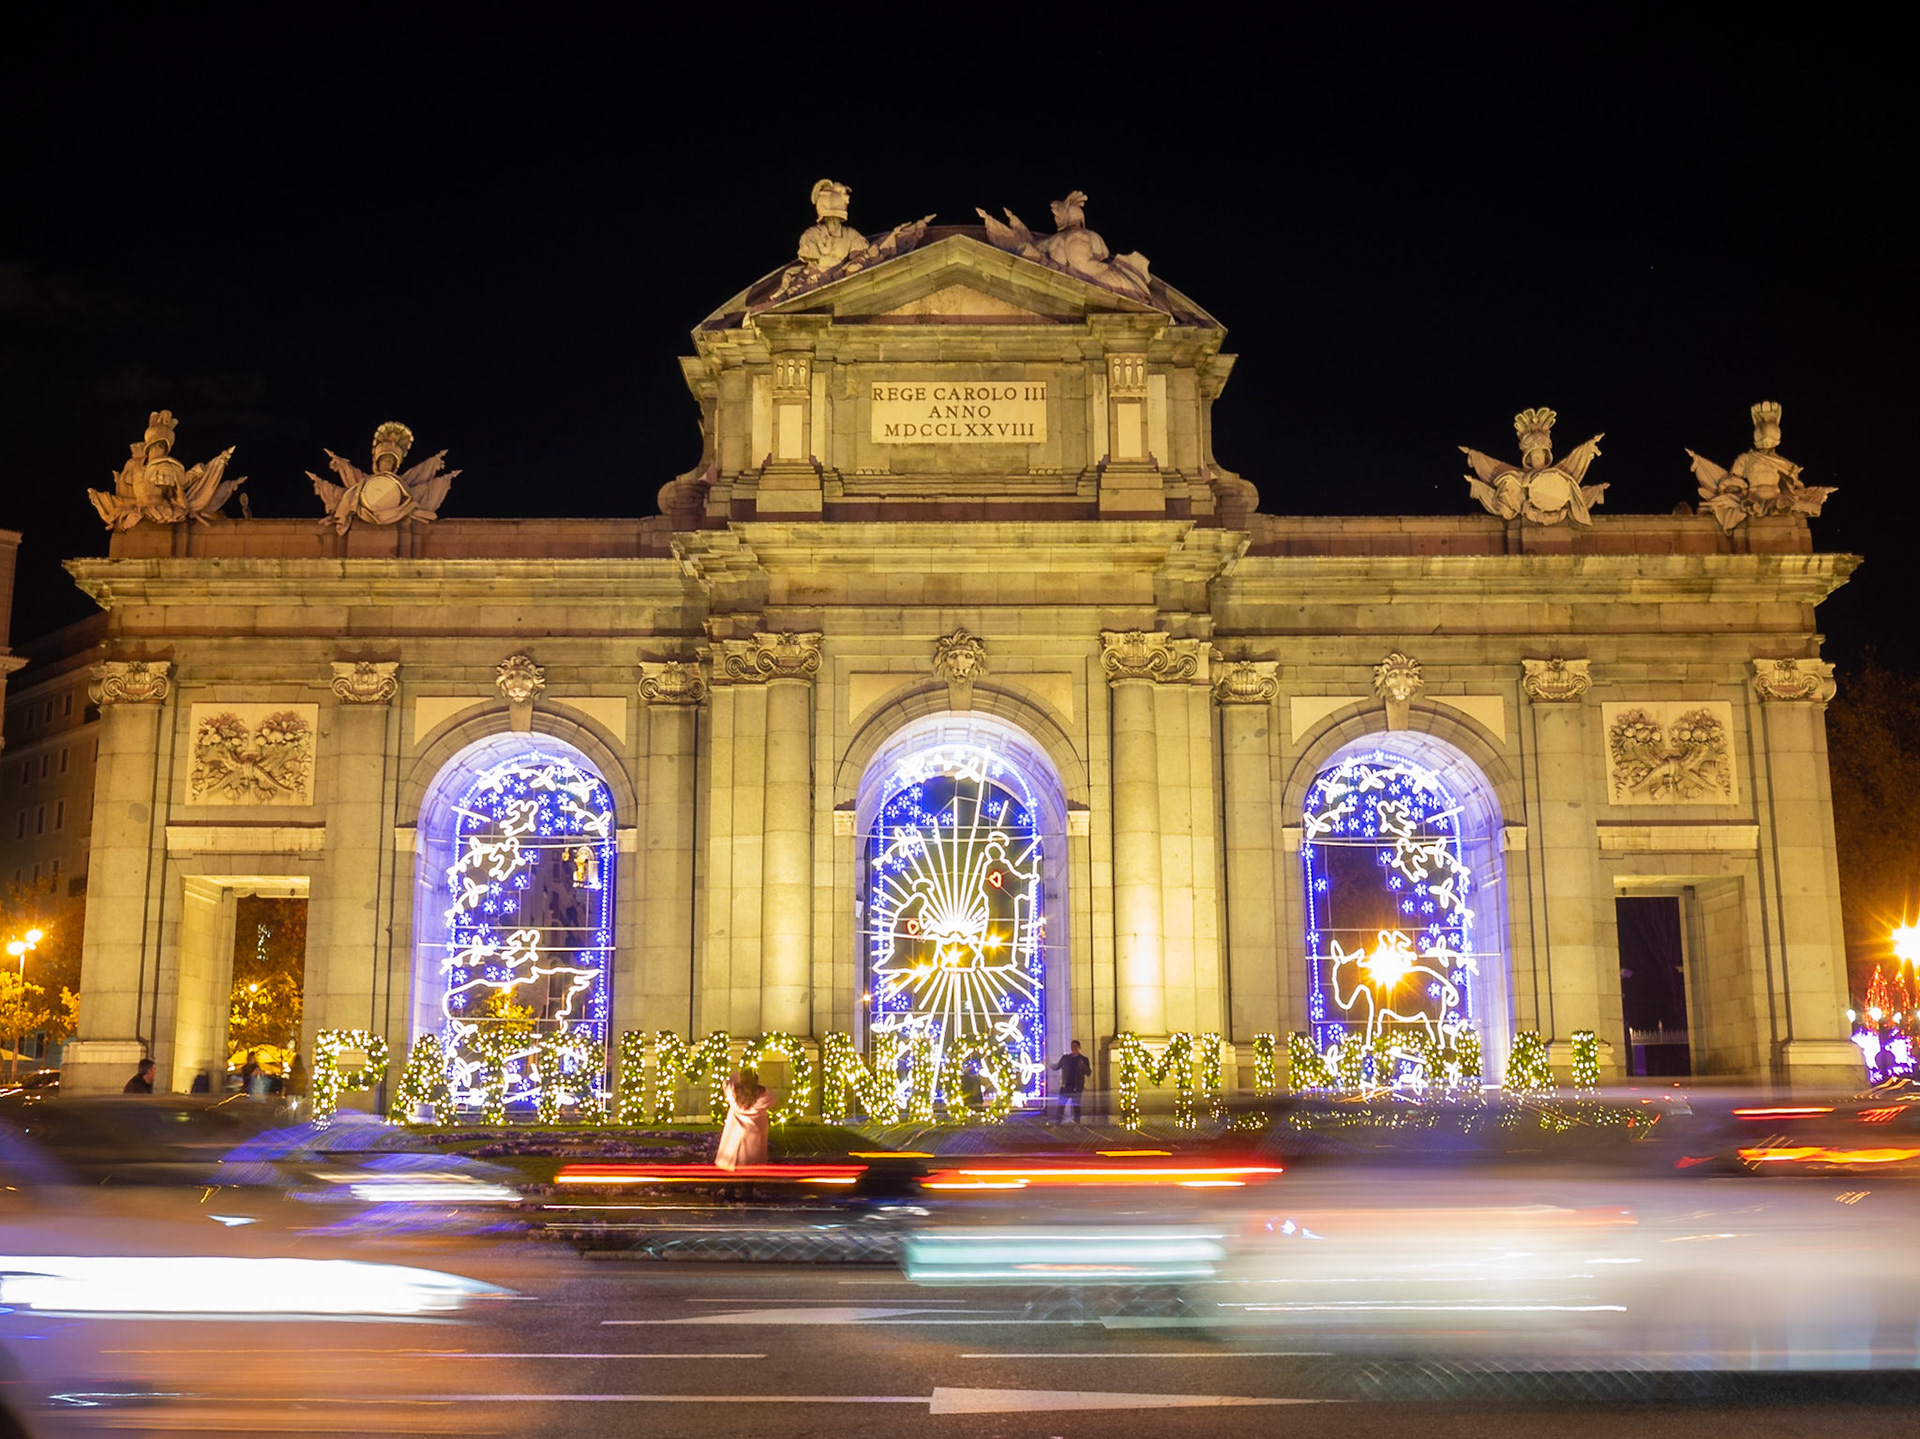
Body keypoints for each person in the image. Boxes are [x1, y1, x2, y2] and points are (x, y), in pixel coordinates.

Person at [715, 1068, 773, 1171]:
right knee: (751, 1166)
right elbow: (772, 1100)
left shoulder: (733, 1093)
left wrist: (737, 1074)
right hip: (754, 1134)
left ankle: (731, 1186)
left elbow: (726, 1082)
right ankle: (748, 1185)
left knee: (733, 1162)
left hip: (736, 1132)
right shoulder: (763, 1095)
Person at [1052, 1040, 1091, 1123]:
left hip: (1077, 1087)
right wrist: (1048, 1063)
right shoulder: (1065, 1058)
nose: (1074, 1048)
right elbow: (1056, 1067)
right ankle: (1058, 1122)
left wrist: (1082, 1065)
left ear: (1079, 1048)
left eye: (1076, 1047)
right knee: (1061, 1106)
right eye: (1072, 1047)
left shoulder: (1084, 1059)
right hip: (1066, 1086)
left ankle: (1077, 1122)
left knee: (1076, 1106)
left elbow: (1088, 1073)